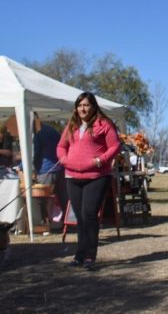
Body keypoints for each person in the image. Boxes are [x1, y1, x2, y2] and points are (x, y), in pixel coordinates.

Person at [56, 92, 121, 271]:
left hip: (97, 177)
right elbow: (61, 146)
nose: (83, 109)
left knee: (89, 215)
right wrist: (63, 159)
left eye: (86, 105)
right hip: (72, 176)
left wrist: (101, 160)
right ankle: (80, 254)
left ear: (93, 106)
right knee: (80, 218)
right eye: (79, 105)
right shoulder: (72, 125)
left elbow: (115, 146)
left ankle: (90, 256)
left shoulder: (104, 124)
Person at [32, 114, 66, 224]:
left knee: (41, 198)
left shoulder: (38, 133)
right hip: (59, 167)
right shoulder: (51, 129)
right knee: (63, 197)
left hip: (46, 170)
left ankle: (43, 223)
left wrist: (25, 167)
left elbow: (34, 153)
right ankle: (67, 222)